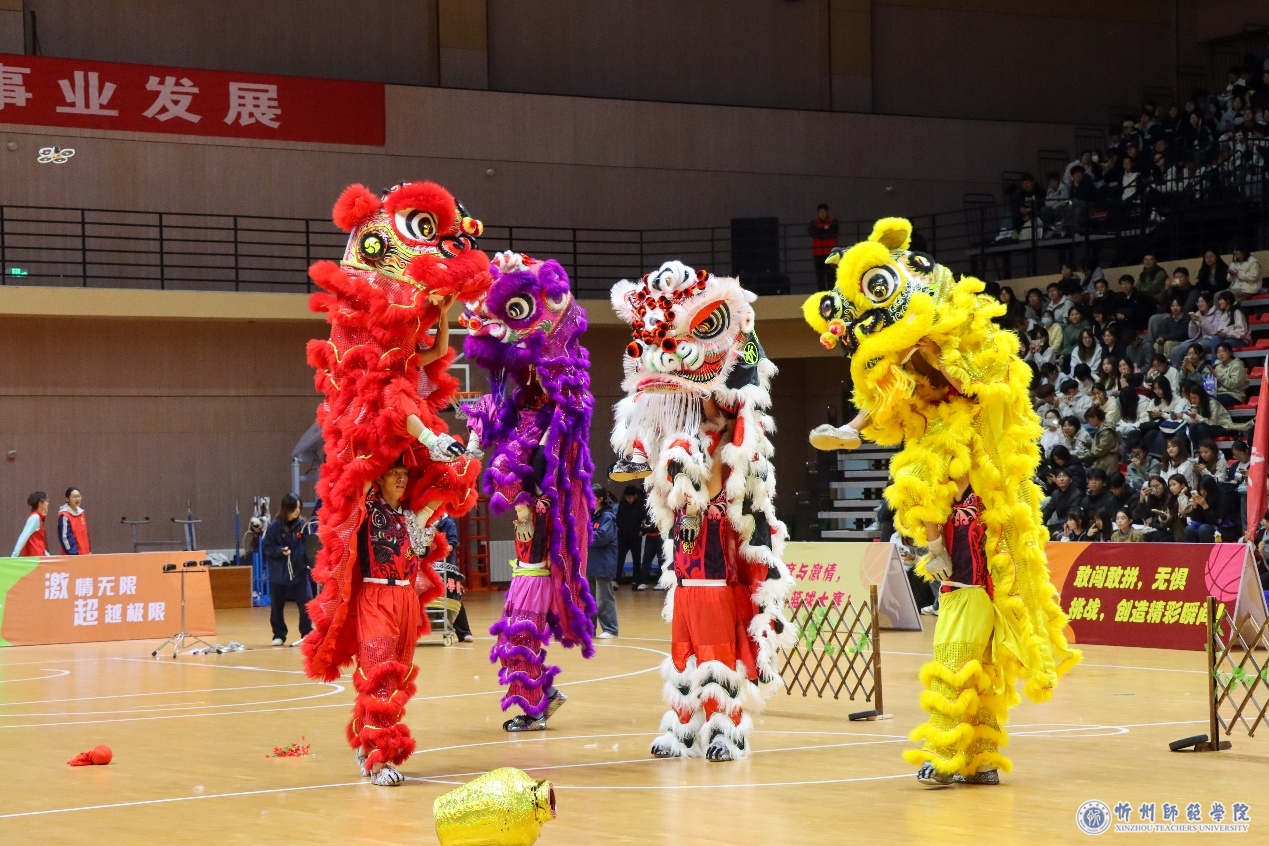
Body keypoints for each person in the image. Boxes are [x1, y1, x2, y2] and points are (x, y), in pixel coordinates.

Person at [262, 493, 312, 647]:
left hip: (299, 572)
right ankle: (279, 634)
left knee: (306, 604)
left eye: (299, 507)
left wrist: (309, 561)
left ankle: (307, 633)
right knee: (277, 607)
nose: (297, 511)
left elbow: (309, 546)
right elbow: (267, 547)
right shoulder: (274, 527)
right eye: (294, 508)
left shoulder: (303, 525)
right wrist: (279, 551)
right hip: (278, 575)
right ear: (286, 508)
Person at [433, 512, 472, 642]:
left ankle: (464, 632)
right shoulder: (425, 520)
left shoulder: (448, 522)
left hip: (446, 568)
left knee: (454, 598)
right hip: (428, 568)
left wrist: (439, 547)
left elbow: (452, 544)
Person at [588, 485, 619, 638]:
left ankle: (610, 629)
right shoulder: (590, 515)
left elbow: (602, 537)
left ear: (600, 499)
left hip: (604, 563)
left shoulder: (607, 516)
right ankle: (589, 629)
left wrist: (584, 534)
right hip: (591, 562)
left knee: (603, 599)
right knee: (590, 598)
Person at [616, 485, 645, 588]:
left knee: (636, 559)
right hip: (623, 536)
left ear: (635, 496)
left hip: (636, 536)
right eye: (627, 497)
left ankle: (636, 580)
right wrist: (621, 529)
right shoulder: (622, 503)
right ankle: (616, 579)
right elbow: (618, 518)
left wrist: (641, 531)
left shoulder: (641, 504)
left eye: (631, 497)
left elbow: (644, 519)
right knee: (620, 558)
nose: (629, 499)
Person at [808, 204, 839, 291]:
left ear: (827, 212)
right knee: (820, 276)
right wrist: (825, 232)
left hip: (830, 253)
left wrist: (820, 233)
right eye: (820, 212)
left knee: (831, 276)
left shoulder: (833, 222)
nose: (822, 214)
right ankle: (821, 294)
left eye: (824, 212)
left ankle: (831, 293)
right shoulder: (813, 223)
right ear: (818, 213)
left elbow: (832, 233)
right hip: (818, 253)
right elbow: (813, 233)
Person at [11, 492, 49, 557]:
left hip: (38, 556)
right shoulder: (35, 518)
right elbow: (24, 536)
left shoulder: (38, 518)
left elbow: (39, 541)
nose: (48, 503)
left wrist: (47, 555)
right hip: (35, 557)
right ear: (40, 503)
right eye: (46, 501)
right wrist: (14, 555)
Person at [1213, 343, 1249, 407]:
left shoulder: (1237, 365)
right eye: (1218, 352)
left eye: (1223, 351)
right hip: (1219, 393)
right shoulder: (1217, 367)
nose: (1220, 354)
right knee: (1202, 398)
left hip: (1234, 395)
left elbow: (1233, 385)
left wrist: (1219, 375)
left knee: (1211, 401)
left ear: (1230, 352)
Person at [57, 487, 90, 555]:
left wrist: (89, 550)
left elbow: (85, 535)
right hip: (73, 556)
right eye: (74, 497)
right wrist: (74, 554)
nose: (77, 499)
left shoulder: (81, 513)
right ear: (67, 499)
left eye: (78, 496)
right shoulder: (64, 516)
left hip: (85, 554)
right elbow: (65, 537)